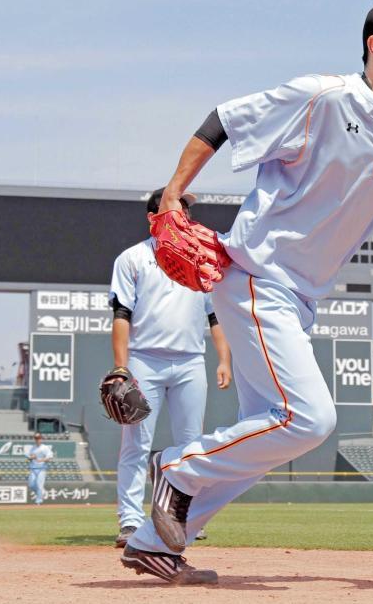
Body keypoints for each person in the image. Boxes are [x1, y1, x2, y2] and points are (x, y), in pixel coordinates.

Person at [119, 0, 373, 584]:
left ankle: (157, 543)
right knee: (309, 419)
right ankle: (176, 467)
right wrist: (173, 192)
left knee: (265, 436)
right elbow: (224, 119)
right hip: (256, 274)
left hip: (299, 296)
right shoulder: (322, 97)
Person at [109, 188, 232, 549]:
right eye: (180, 208)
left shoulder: (199, 259)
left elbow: (214, 316)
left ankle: (185, 519)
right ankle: (131, 523)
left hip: (191, 362)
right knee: (135, 444)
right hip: (145, 361)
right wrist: (121, 367)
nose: (187, 215)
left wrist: (223, 358)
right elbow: (121, 315)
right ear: (156, 216)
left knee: (191, 446)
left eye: (187, 210)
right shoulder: (132, 258)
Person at [25, 432, 53, 505]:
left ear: (41, 439)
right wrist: (30, 457)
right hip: (33, 468)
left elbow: (50, 458)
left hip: (41, 468)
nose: (37, 440)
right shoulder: (33, 447)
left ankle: (38, 501)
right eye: (36, 438)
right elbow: (30, 456)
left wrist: (42, 460)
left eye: (39, 438)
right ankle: (40, 493)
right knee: (31, 485)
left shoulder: (44, 447)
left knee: (39, 485)